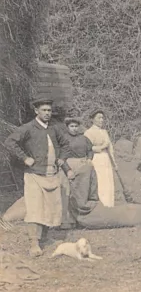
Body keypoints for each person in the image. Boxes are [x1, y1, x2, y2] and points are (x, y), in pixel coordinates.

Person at [4, 97, 74, 257]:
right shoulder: (28, 128)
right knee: (35, 209)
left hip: (51, 174)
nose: (47, 113)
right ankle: (34, 244)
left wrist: (62, 159)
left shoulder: (54, 129)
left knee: (50, 208)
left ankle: (45, 238)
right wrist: (24, 158)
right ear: (36, 111)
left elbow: (65, 145)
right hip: (34, 175)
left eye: (49, 110)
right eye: (44, 110)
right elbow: (10, 142)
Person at [59, 114, 94, 229]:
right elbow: (60, 156)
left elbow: (90, 150)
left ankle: (79, 219)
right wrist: (67, 170)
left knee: (81, 192)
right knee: (67, 193)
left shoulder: (84, 138)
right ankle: (66, 220)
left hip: (83, 166)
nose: (74, 128)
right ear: (67, 127)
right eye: (71, 126)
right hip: (67, 165)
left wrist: (89, 160)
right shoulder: (63, 138)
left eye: (76, 126)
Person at [84, 110, 116, 208]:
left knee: (108, 180)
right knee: (100, 180)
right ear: (92, 119)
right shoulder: (88, 132)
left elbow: (110, 147)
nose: (101, 120)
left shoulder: (104, 131)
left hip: (106, 159)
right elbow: (88, 148)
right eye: (99, 118)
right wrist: (102, 147)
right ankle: (101, 205)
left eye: (102, 118)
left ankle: (109, 204)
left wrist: (114, 162)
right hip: (96, 159)